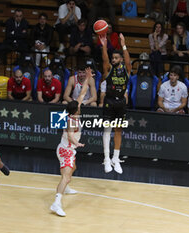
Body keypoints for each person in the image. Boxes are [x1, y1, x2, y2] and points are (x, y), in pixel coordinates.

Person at [50, 67, 93, 217]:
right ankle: (56, 203)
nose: (80, 106)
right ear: (75, 111)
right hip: (65, 150)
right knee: (66, 177)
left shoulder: (74, 110)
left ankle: (65, 188)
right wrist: (78, 143)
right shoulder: (72, 122)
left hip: (68, 149)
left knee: (73, 167)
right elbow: (69, 136)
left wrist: (87, 77)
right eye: (79, 106)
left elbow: (82, 92)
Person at [99, 33, 131, 174]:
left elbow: (129, 61)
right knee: (107, 130)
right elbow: (105, 59)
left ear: (121, 59)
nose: (113, 59)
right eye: (113, 58)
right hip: (109, 102)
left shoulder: (126, 70)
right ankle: (106, 159)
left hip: (121, 103)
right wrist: (104, 45)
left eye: (116, 58)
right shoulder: (109, 69)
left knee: (119, 130)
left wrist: (123, 44)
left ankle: (115, 158)